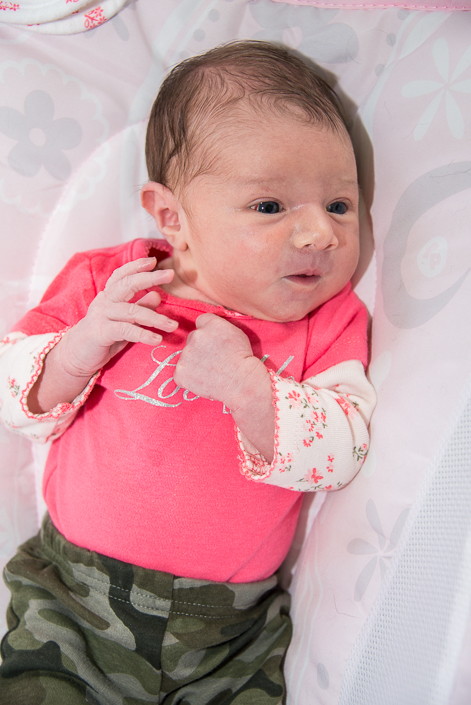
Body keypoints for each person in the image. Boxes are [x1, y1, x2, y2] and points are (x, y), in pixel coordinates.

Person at [0, 41, 376, 704]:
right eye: (270, 206)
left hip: (229, 633)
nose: (319, 233)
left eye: (340, 205)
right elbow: (12, 398)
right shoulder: (111, 284)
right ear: (172, 217)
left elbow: (343, 451)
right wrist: (78, 350)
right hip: (72, 602)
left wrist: (249, 388)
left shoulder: (330, 321)